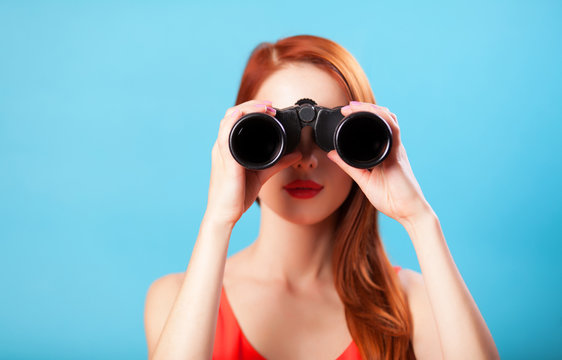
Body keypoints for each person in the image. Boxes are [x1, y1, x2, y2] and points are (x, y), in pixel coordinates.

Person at [143, 35, 500, 360]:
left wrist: (419, 219)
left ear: (364, 142)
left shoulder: (413, 303)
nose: (307, 159)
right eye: (278, 135)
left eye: (333, 136)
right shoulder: (173, 298)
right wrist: (217, 221)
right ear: (241, 142)